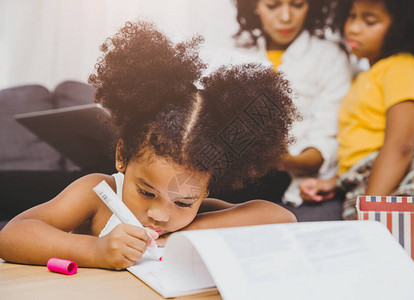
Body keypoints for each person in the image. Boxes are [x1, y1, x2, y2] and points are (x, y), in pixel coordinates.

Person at [0, 21, 299, 270]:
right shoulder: (96, 196)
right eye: (145, 191)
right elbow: (11, 236)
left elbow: (282, 219)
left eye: (183, 202)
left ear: (206, 190)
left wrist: (188, 234)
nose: (160, 214)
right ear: (122, 156)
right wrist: (96, 251)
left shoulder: (188, 219)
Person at [299, 0, 414, 220]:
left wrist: (370, 210)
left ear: (403, 28)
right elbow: (369, 146)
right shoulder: (367, 77)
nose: (353, 28)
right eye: (352, 16)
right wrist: (335, 183)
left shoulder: (402, 67)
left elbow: (401, 146)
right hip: (372, 182)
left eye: (369, 21)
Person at [221, 0, 352, 208]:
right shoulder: (232, 52)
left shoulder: (329, 57)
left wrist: (283, 160)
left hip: (291, 184)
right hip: (231, 180)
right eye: (272, 6)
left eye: (297, 4)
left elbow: (327, 139)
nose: (285, 17)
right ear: (254, 6)